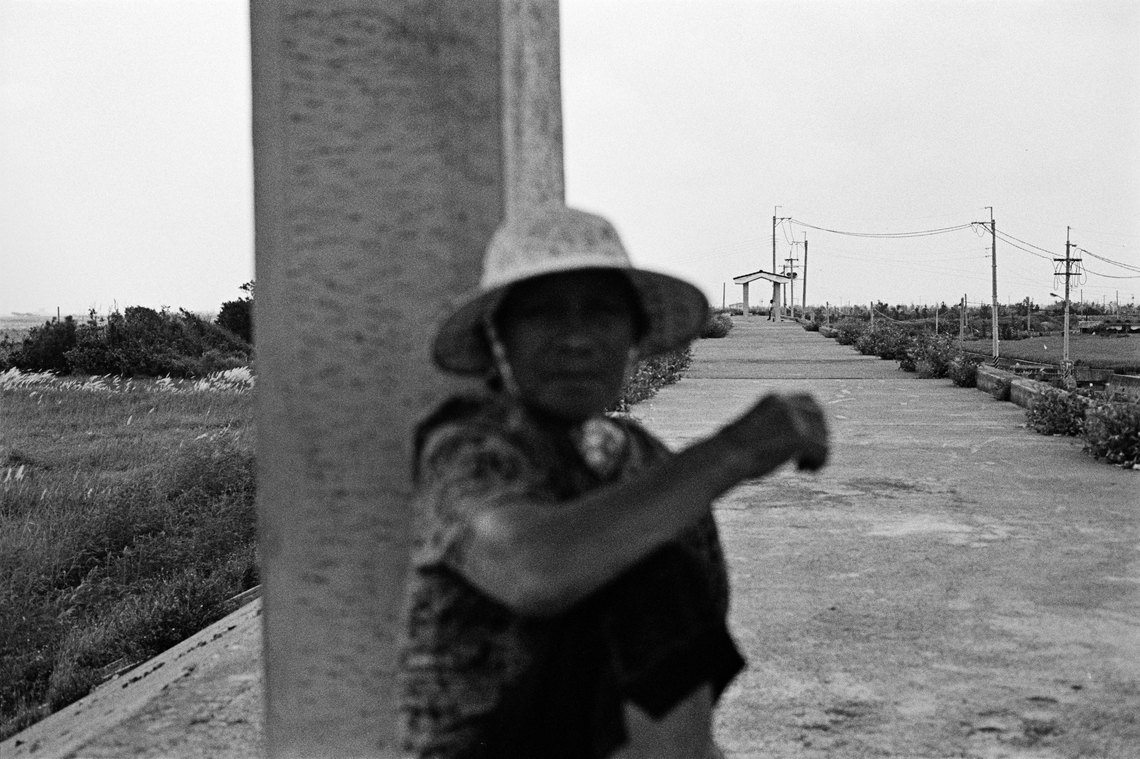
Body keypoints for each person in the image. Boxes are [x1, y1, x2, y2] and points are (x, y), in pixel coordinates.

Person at [398, 205, 829, 758]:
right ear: (498, 340)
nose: (576, 340)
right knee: (654, 576)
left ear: (635, 337)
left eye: (602, 313)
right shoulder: (470, 446)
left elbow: (681, 684)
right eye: (543, 314)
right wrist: (735, 449)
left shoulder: (646, 463)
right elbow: (534, 569)